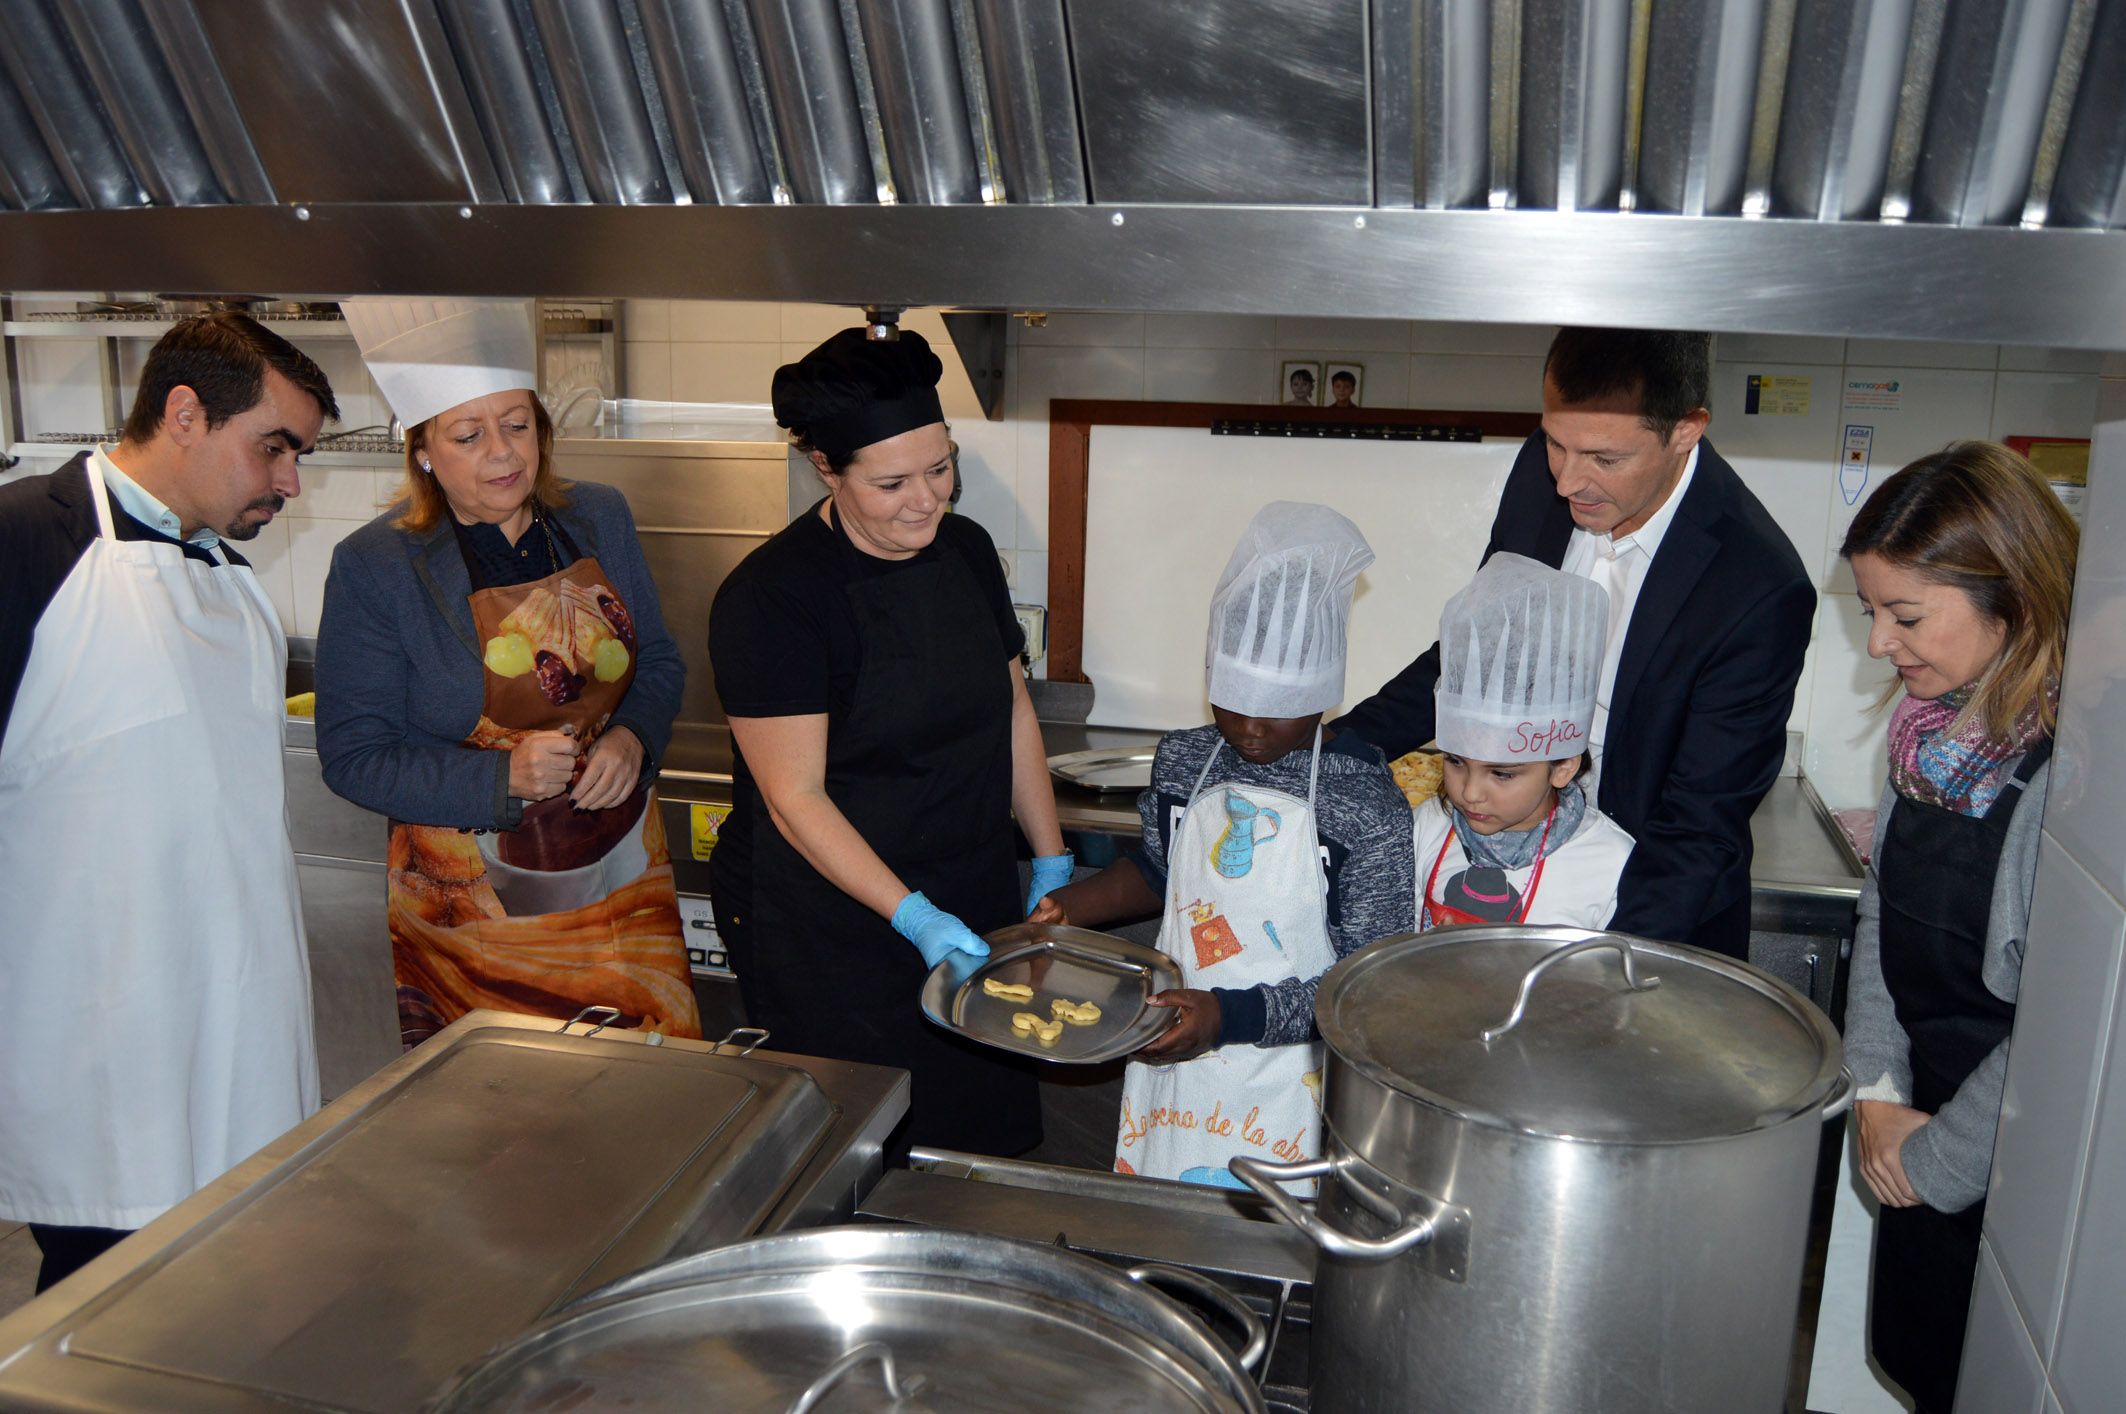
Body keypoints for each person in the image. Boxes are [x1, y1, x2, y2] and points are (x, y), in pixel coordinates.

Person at [0, 314, 336, 1291]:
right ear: (184, 413)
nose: (289, 483)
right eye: (274, 448)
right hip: (102, 1044)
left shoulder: (237, 587)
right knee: (104, 1321)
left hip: (246, 1032)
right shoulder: (27, 543)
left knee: (230, 1303)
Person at [1337, 328, 1814, 957]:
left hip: (1644, 912)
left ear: (1685, 430)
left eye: (1604, 460)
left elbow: (1699, 826)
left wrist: (1599, 974)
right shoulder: (1544, 475)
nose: (1567, 482)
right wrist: (1326, 755)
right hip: (1504, 869)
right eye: (1556, 444)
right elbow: (1473, 661)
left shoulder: (1755, 585)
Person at [708, 328, 1070, 1156]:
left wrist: (1048, 860)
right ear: (825, 469)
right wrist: (914, 918)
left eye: (941, 469)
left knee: (982, 1148)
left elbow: (1008, 706)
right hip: (835, 933)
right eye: (893, 482)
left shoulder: (968, 551)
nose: (927, 500)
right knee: (861, 1155)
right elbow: (794, 800)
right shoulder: (774, 599)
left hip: (971, 897)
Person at [318, 299, 700, 1045]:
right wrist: (502, 780)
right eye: (469, 435)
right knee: (506, 1118)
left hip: (624, 873)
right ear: (423, 449)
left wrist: (632, 739)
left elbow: (656, 656)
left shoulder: (598, 517)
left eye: (517, 425)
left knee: (648, 1094)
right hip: (471, 911)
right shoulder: (376, 566)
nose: (503, 453)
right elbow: (354, 756)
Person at [1031, 503, 1415, 1187]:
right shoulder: (1184, 760)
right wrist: (1071, 906)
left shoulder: (1363, 802)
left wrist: (1228, 1016)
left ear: (1324, 690)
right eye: (1230, 701)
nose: (1250, 729)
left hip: (1294, 1077)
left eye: (1277, 709)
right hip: (1176, 1055)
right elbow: (1161, 870)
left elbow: (1365, 987)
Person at [1840, 442, 2076, 1414]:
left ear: (2010, 599)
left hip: (2001, 1162)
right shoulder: (1929, 745)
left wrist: (1931, 1159)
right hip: (1915, 1129)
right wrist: (1877, 1089)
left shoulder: (2067, 782)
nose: (1876, 645)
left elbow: (2055, 1027)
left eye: (1903, 616)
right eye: (1869, 614)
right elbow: (1879, 910)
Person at [1415, 554, 1634, 930]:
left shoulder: (1609, 861)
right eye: (1455, 761)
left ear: (1563, 767)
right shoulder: (1428, 825)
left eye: (1501, 774)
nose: (1469, 793)